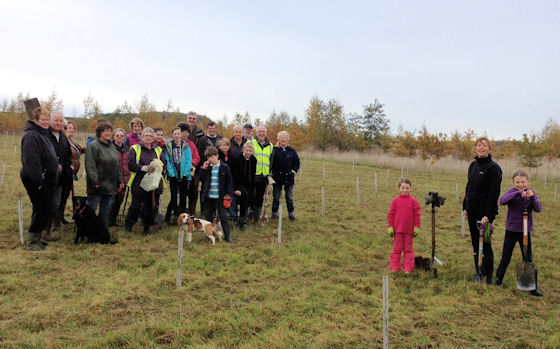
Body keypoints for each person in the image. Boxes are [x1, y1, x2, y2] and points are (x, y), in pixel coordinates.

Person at [495, 170, 543, 296]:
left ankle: (532, 287)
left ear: (528, 182)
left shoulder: (531, 193)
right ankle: (497, 281)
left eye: (523, 182)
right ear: (513, 182)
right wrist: (517, 193)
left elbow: (538, 208)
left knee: (527, 258)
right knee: (506, 257)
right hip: (511, 230)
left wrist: (532, 197)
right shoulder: (512, 192)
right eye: (517, 182)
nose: (520, 184)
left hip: (525, 231)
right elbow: (502, 201)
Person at [463, 137, 502, 284]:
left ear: (489, 149)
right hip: (472, 210)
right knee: (475, 242)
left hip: (485, 213)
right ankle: (479, 271)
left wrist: (488, 215)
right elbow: (469, 188)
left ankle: (488, 275)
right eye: (479, 145)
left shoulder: (494, 169)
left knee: (485, 243)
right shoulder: (472, 166)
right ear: (475, 148)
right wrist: (465, 207)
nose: (481, 148)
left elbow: (494, 194)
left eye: (484, 146)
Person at [20, 107, 58, 251]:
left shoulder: (42, 134)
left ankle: (37, 239)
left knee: (44, 209)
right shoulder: (31, 135)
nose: (46, 122)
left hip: (46, 179)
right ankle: (33, 242)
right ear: (35, 120)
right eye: (43, 119)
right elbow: (31, 160)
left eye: (47, 119)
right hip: (37, 179)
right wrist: (38, 180)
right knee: (40, 209)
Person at [125, 128, 167, 234]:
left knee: (151, 206)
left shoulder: (158, 150)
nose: (148, 138)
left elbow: (164, 163)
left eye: (150, 136)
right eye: (146, 135)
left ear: (153, 138)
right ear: (141, 137)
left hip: (154, 183)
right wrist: (143, 168)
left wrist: (160, 169)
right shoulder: (135, 149)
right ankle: (129, 225)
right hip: (139, 182)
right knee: (136, 205)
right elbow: (130, 164)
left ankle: (147, 227)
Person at [85, 122, 123, 229]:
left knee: (105, 208)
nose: (108, 133)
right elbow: (90, 165)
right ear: (100, 132)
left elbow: (117, 165)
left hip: (110, 183)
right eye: (105, 130)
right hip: (98, 184)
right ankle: (88, 230)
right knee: (91, 208)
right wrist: (94, 181)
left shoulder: (112, 146)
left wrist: (120, 180)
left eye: (110, 130)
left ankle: (102, 230)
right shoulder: (93, 146)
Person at [45, 111, 72, 240]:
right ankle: (42, 232)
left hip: (61, 178)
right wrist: (53, 164)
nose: (58, 123)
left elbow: (67, 155)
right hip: (47, 177)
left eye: (60, 121)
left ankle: (47, 231)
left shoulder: (62, 137)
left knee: (55, 204)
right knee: (46, 205)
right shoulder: (44, 135)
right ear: (50, 121)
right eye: (56, 120)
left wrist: (68, 166)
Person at [199, 146, 233, 242]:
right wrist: (204, 168)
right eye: (208, 157)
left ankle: (227, 236)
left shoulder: (224, 167)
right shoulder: (207, 168)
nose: (210, 159)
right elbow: (201, 179)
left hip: (221, 197)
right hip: (209, 197)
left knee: (224, 217)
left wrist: (229, 195)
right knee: (208, 217)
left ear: (217, 156)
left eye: (212, 157)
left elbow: (229, 181)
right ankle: (209, 235)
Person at [387, 178, 421, 273]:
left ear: (410, 188)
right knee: (397, 249)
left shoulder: (413, 201)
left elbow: (417, 215)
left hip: (409, 231)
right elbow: (391, 214)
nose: (405, 190)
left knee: (408, 250)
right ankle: (395, 267)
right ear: (399, 188)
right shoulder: (395, 201)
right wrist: (390, 226)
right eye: (403, 188)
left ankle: (408, 268)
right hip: (397, 230)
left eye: (407, 188)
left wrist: (417, 227)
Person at [163, 127, 192, 223]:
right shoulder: (168, 146)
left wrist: (186, 174)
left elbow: (189, 161)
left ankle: (183, 218)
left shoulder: (186, 146)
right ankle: (172, 216)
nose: (177, 136)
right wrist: (172, 174)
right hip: (173, 176)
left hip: (184, 176)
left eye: (178, 134)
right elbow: (167, 161)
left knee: (183, 198)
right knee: (174, 198)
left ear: (181, 135)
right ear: (172, 135)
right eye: (175, 134)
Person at [270, 131, 300, 221]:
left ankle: (291, 214)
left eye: (285, 137)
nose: (283, 139)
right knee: (276, 197)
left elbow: (297, 163)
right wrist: (270, 173)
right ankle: (274, 214)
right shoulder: (274, 150)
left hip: (289, 178)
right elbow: (270, 162)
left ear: (287, 139)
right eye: (281, 137)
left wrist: (294, 171)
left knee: (289, 197)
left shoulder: (292, 151)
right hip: (277, 178)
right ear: (278, 139)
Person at [59, 120, 84, 224]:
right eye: (69, 128)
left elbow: (80, 149)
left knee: (65, 195)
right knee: (61, 196)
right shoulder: (63, 140)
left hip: (71, 174)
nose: (72, 130)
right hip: (64, 173)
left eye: (73, 128)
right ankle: (57, 220)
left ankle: (61, 218)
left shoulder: (72, 141)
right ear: (64, 129)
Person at [231, 142, 257, 230]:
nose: (248, 152)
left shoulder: (254, 159)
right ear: (243, 150)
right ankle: (241, 220)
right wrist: (237, 187)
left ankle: (246, 216)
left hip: (249, 183)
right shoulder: (237, 159)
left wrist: (252, 185)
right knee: (243, 197)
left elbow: (253, 174)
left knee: (251, 197)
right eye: (247, 150)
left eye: (250, 151)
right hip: (239, 183)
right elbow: (235, 174)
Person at [108, 128, 131, 227]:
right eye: (117, 135)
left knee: (119, 200)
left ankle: (113, 220)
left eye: (121, 135)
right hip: (113, 178)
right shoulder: (110, 148)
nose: (119, 137)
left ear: (124, 137)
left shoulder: (127, 149)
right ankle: (108, 220)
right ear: (113, 137)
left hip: (125, 178)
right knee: (112, 200)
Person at [252, 125, 274, 223]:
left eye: (263, 131)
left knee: (259, 198)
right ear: (256, 132)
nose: (261, 133)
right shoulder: (250, 143)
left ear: (266, 132)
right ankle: (248, 216)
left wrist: (269, 173)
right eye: (259, 131)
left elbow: (271, 160)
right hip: (252, 175)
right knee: (250, 196)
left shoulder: (270, 145)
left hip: (263, 176)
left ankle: (256, 219)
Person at [185, 112, 205, 215]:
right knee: (183, 191)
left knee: (194, 190)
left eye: (194, 118)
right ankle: (181, 211)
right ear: (187, 119)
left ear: (196, 120)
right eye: (190, 118)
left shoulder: (200, 133)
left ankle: (192, 212)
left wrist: (196, 164)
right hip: (182, 167)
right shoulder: (181, 130)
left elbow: (202, 150)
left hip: (195, 166)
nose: (192, 120)